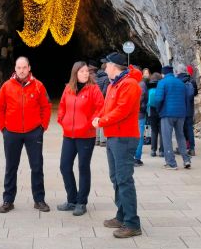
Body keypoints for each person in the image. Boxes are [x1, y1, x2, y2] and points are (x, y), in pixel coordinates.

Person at [91, 52, 143, 238]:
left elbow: (122, 110)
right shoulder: (116, 83)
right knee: (116, 178)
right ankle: (121, 216)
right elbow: (107, 107)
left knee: (124, 180)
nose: (105, 68)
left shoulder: (128, 84)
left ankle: (132, 223)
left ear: (114, 66)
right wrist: (98, 116)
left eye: (107, 65)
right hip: (114, 137)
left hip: (124, 138)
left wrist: (102, 121)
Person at [0, 57, 52, 213]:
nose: (21, 70)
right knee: (11, 167)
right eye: (19, 67)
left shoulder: (38, 86)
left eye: (24, 67)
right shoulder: (6, 86)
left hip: (33, 132)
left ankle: (39, 200)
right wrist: (3, 128)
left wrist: (42, 127)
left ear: (29, 68)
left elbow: (46, 107)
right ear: (15, 68)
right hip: (11, 133)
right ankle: (8, 200)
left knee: (37, 166)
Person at [57, 61, 104, 216]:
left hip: (86, 135)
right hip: (69, 135)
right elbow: (62, 106)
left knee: (83, 168)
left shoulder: (94, 89)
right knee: (64, 166)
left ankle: (81, 202)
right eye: (82, 71)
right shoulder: (68, 88)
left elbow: (100, 108)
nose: (85, 74)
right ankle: (72, 199)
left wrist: (90, 122)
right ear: (75, 73)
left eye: (86, 71)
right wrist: (62, 121)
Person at [151, 64, 191, 170]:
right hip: (181, 113)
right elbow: (186, 99)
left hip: (167, 113)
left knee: (167, 138)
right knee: (180, 136)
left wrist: (159, 110)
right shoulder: (181, 83)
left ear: (163, 73)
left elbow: (158, 99)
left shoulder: (162, 82)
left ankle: (171, 163)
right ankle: (186, 159)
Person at [178, 68, 198, 157]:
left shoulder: (177, 81)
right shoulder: (192, 81)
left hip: (180, 109)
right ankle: (192, 148)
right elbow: (195, 93)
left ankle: (183, 147)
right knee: (190, 128)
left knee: (181, 129)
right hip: (189, 108)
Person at [92, 61, 110, 146]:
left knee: (96, 119)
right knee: (102, 120)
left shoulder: (96, 76)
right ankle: (103, 140)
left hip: (95, 101)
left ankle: (97, 139)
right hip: (102, 101)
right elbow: (105, 91)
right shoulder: (106, 78)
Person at [134, 65, 148, 166]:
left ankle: (134, 157)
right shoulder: (141, 84)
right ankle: (136, 158)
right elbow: (142, 98)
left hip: (135, 113)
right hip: (139, 114)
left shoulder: (132, 83)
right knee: (139, 136)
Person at [146, 73, 163, 157]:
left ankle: (153, 150)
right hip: (161, 110)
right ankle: (162, 151)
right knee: (161, 131)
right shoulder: (162, 87)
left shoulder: (149, 89)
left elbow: (147, 102)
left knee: (154, 131)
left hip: (152, 111)